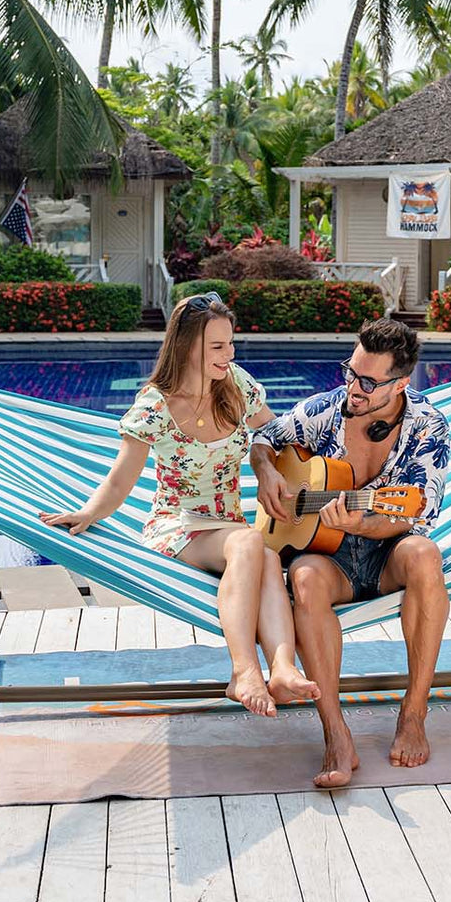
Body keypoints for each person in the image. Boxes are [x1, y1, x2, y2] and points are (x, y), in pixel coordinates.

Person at [40, 293, 319, 718]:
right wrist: (89, 512)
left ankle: (281, 669)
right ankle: (244, 672)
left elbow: (277, 435)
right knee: (249, 545)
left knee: (260, 552)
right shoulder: (155, 407)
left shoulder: (237, 386)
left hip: (229, 526)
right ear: (187, 347)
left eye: (231, 344)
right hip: (177, 523)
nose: (229, 355)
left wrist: (269, 468)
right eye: (217, 347)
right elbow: (121, 478)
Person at [250, 318, 451, 787]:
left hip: (388, 552)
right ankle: (335, 732)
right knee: (303, 578)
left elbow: (414, 511)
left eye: (367, 382)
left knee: (424, 554)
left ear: (401, 383)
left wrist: (363, 522)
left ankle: (414, 713)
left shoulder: (428, 425)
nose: (352, 388)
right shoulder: (326, 410)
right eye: (350, 371)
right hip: (328, 556)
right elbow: (262, 440)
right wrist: (267, 473)